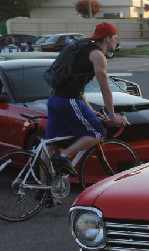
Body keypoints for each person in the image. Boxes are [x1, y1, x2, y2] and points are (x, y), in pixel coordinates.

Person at [44, 22, 127, 177]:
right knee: (97, 133)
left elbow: (79, 88)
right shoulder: (97, 55)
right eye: (116, 37)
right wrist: (113, 115)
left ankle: (45, 192)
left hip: (55, 99)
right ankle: (63, 157)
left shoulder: (82, 49)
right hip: (68, 101)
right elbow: (105, 88)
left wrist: (90, 110)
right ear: (107, 38)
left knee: (50, 145)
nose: (117, 41)